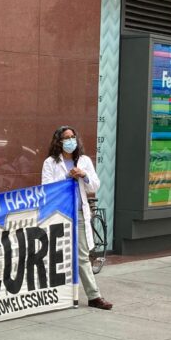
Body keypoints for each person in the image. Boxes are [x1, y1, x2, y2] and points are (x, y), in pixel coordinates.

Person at [41, 125, 112, 310]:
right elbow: (46, 189)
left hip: (79, 214)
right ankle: (53, 295)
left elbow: (94, 186)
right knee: (56, 254)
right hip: (60, 214)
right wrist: (67, 176)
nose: (70, 141)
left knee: (81, 256)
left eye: (72, 137)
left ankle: (94, 296)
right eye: (66, 138)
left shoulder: (84, 161)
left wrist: (84, 175)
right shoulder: (50, 162)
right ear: (59, 141)